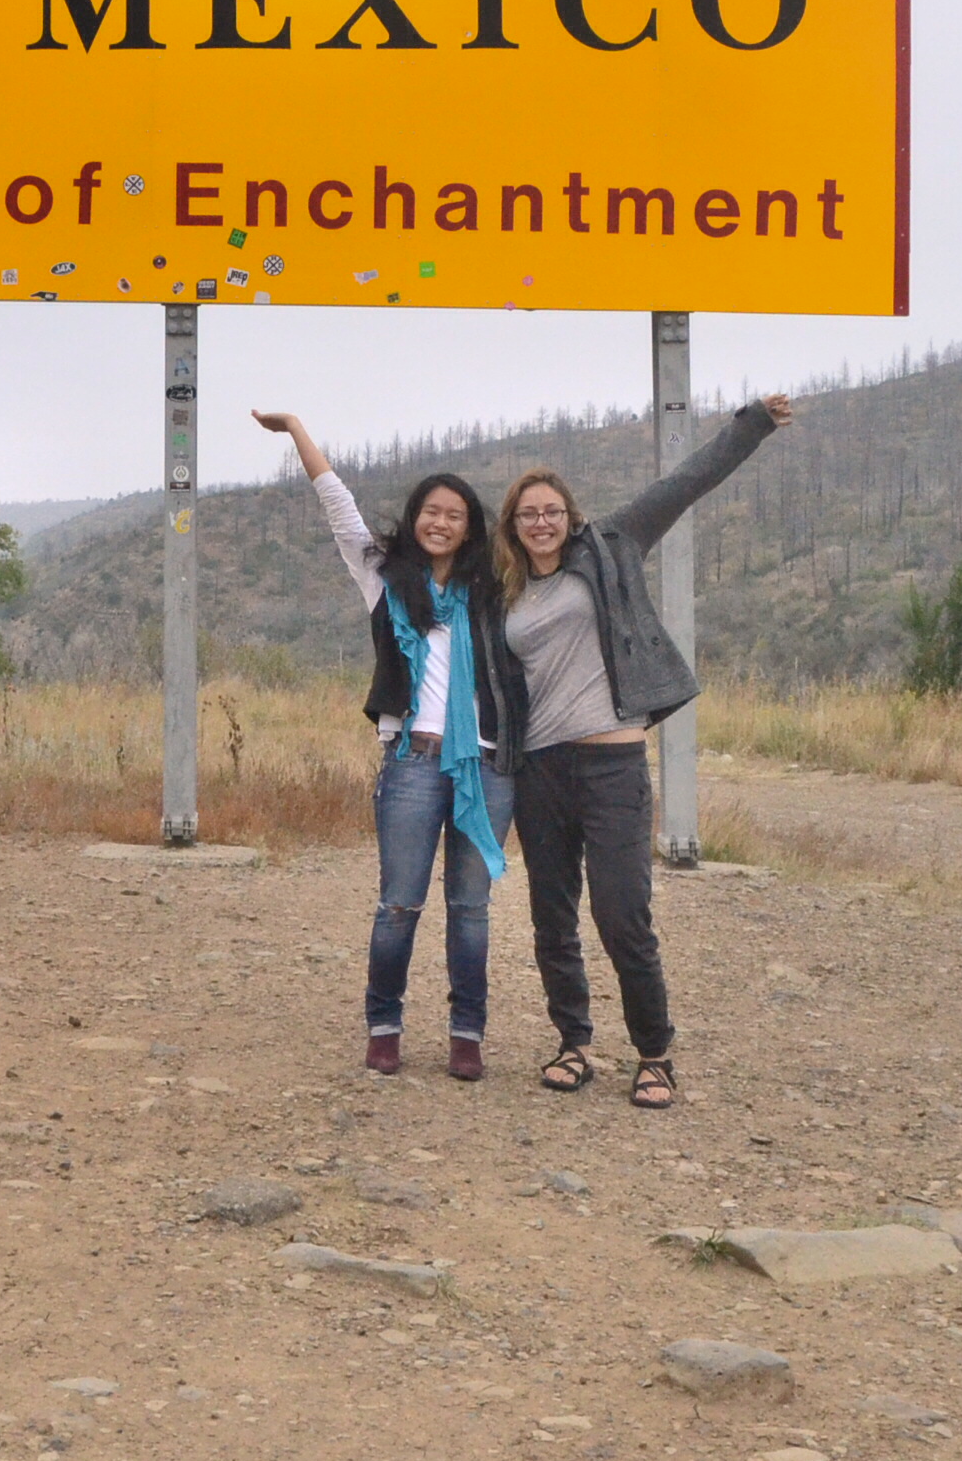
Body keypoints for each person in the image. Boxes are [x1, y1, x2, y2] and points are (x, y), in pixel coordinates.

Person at [497, 393, 794, 1109]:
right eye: (527, 514)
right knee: (551, 915)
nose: (541, 522)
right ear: (512, 525)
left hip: (612, 764)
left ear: (571, 516)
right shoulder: (503, 589)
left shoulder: (614, 544)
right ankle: (573, 1043)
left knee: (622, 911)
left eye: (551, 511)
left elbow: (686, 482)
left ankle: (654, 1053)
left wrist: (752, 425)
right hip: (540, 768)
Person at [251, 410, 525, 1081]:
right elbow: (339, 509)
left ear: (471, 527)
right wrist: (296, 432)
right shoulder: (385, 579)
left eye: (454, 515)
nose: (441, 523)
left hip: (486, 766)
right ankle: (384, 1026)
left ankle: (467, 1034)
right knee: (399, 903)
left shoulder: (495, 591)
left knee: (471, 909)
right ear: (415, 516)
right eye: (431, 511)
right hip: (412, 763)